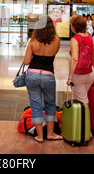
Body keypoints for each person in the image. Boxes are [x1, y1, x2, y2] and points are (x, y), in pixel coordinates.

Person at [23, 15, 61, 143]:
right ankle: (50, 134)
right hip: (48, 75)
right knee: (50, 104)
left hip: (32, 75)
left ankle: (39, 136)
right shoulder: (57, 40)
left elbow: (26, 61)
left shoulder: (32, 41)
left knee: (36, 105)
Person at [68, 15, 94, 105]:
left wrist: (70, 77)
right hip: (90, 73)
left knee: (83, 103)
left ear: (73, 27)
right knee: (80, 99)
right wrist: (91, 64)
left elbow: (74, 59)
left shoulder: (75, 39)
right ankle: (79, 118)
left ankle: (84, 119)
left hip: (79, 74)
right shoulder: (89, 36)